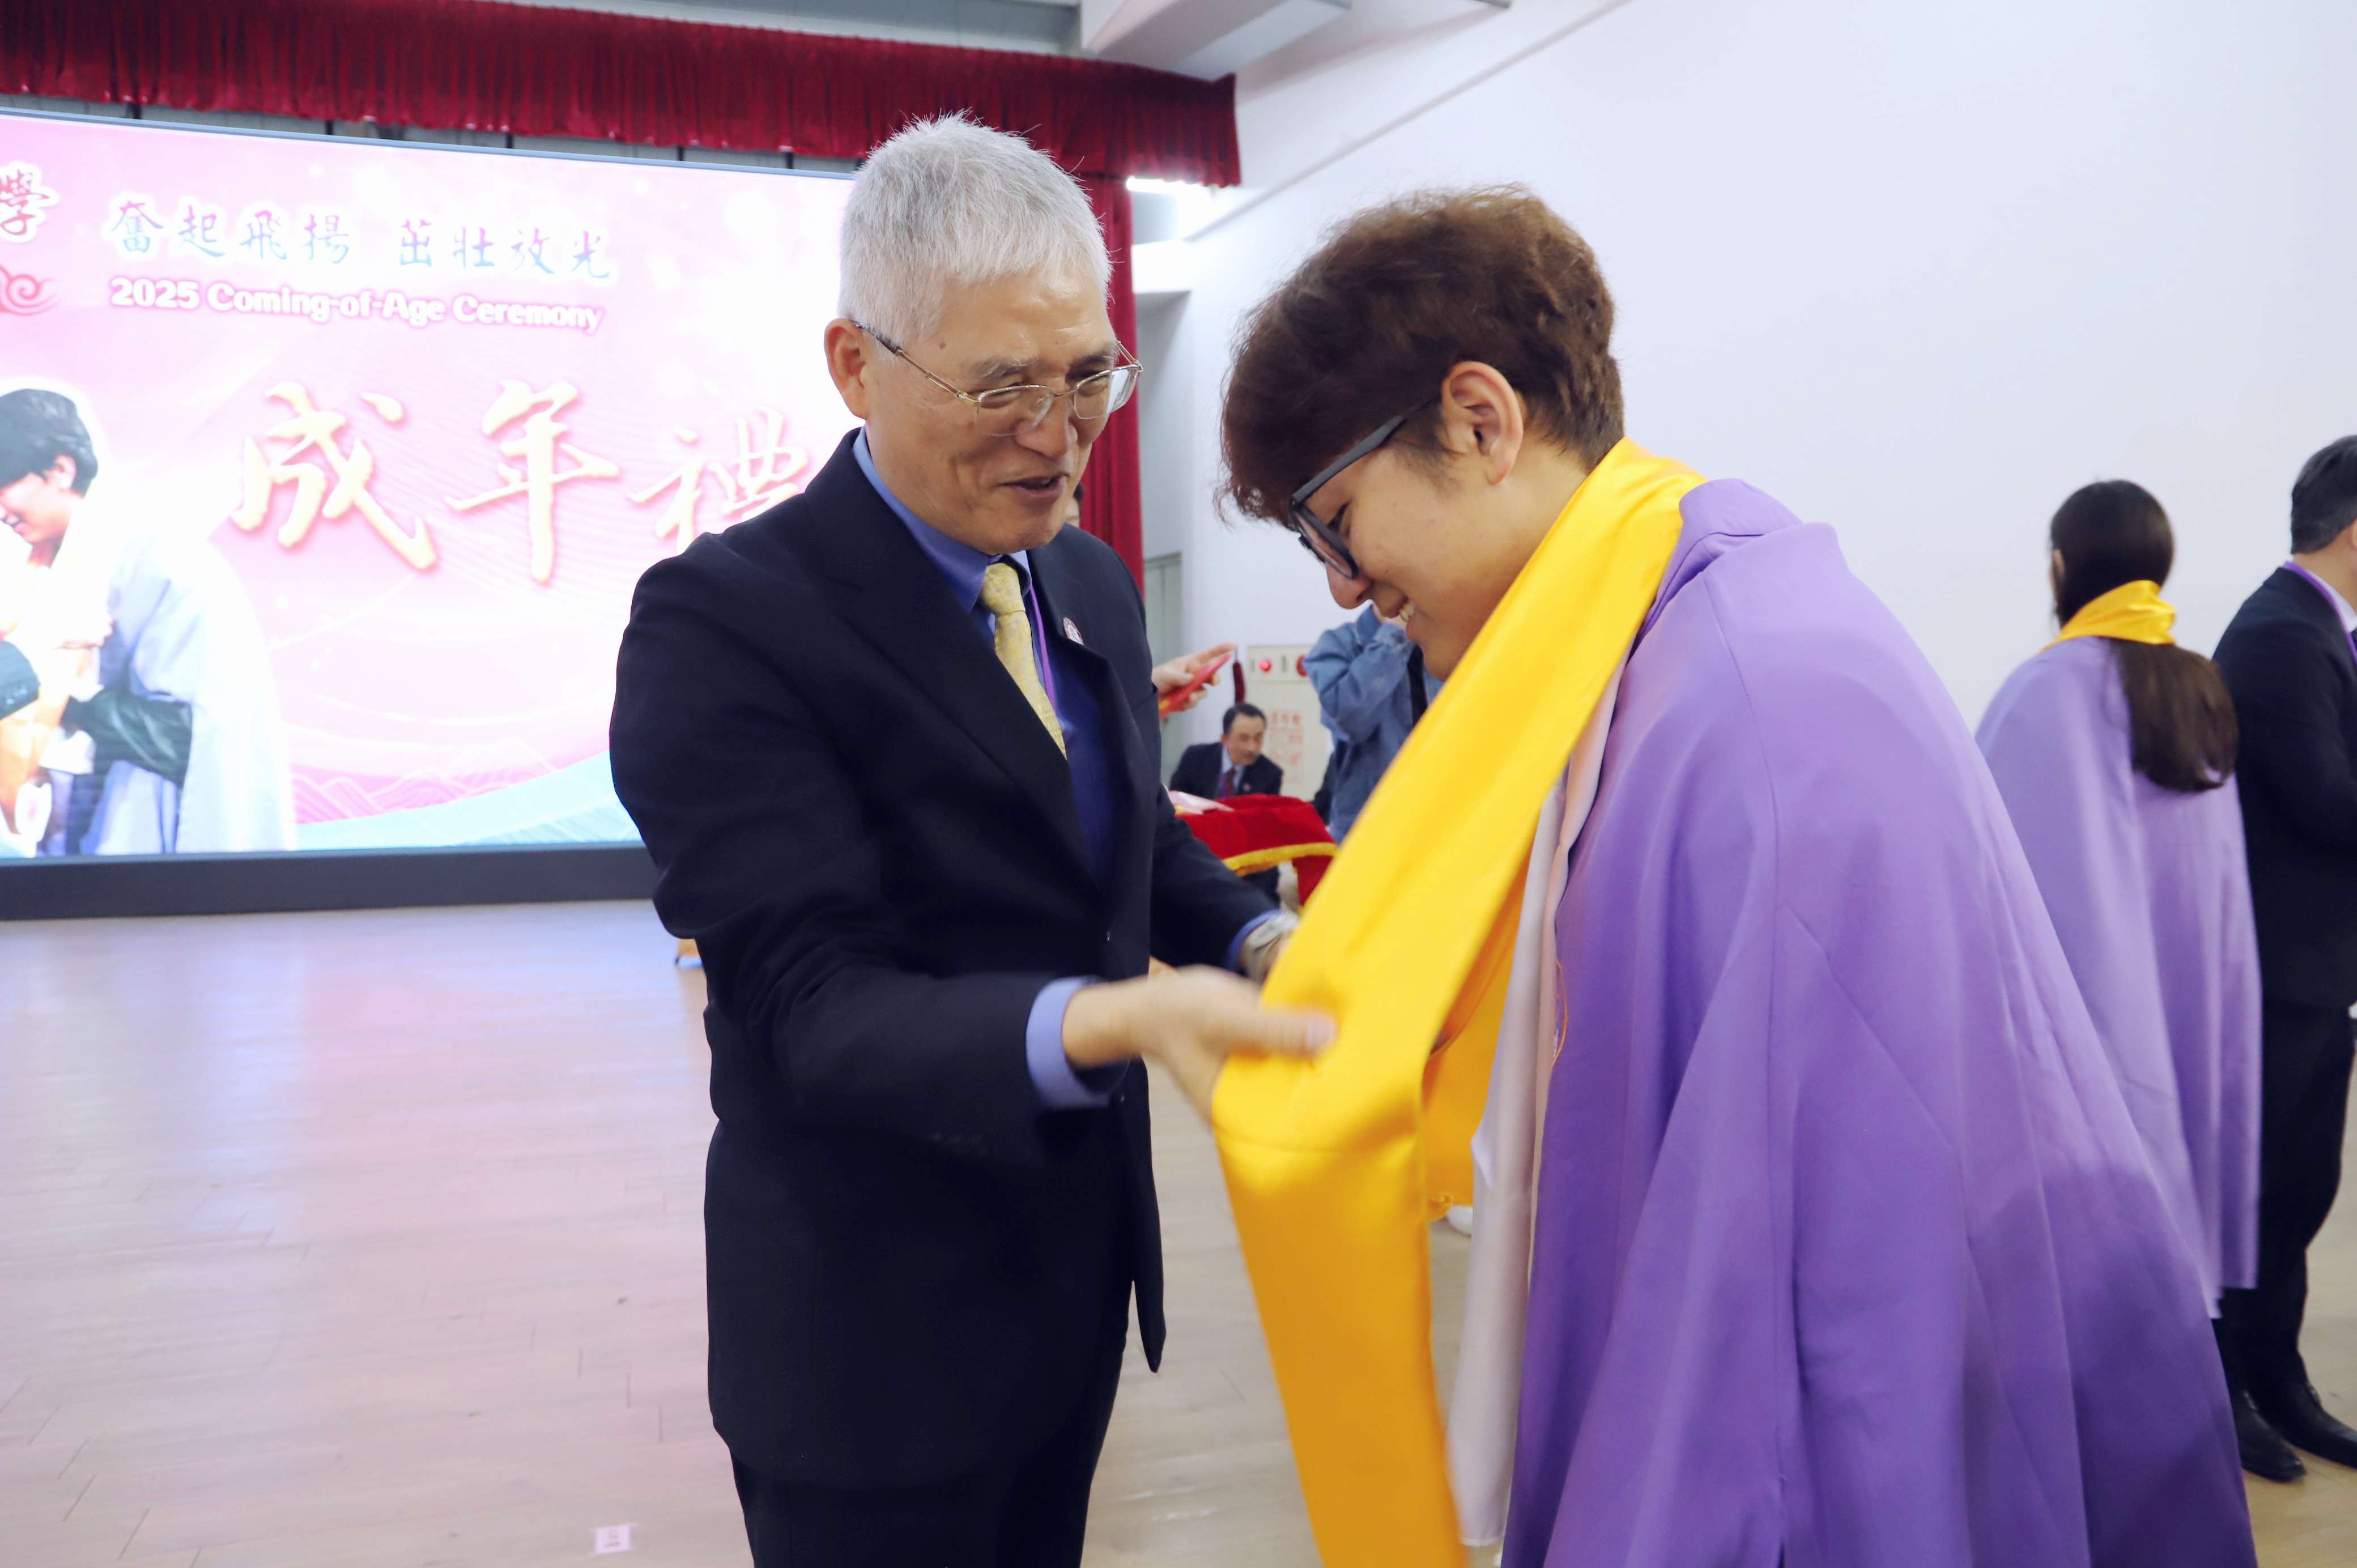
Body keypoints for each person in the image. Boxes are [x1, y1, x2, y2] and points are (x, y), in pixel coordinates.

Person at [1208, 188, 2252, 1566]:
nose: (1344, 588)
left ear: (1478, 420)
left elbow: (1805, 1320)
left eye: (1336, 521)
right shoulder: (1663, 641)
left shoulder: (1760, 702)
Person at [607, 116, 1329, 1568]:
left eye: (1088, 377)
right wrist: (1117, 1019)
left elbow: (1124, 841)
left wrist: (1264, 936)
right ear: (854, 364)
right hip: (870, 1340)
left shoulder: (1082, 579)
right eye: (1001, 386)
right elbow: (811, 1004)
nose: (1055, 435)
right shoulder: (725, 624)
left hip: (1071, 1289)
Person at [1974, 480, 2265, 1460]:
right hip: (2193, 1014)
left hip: (2096, 1027)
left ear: (2062, 569)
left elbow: (1993, 870)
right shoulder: (2195, 685)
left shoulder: (2046, 691)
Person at [2213, 434, 2357, 1478]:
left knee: (2300, 1189)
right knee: (2254, 1192)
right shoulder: (2279, 634)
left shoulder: (2319, 630)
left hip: (2316, 972)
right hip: (2272, 975)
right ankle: (2224, 1390)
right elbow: (2326, 803)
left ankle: (2279, 1378)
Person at [0, 387, 292, 854]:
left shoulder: (158, 559)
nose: (0, 509)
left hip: (152, 831)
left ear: (61, 471)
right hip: (85, 833)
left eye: (6, 482)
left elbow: (194, 740)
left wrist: (64, 694)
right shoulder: (42, 574)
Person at [1305, 606, 1433, 838]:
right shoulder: (1338, 644)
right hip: (1368, 829)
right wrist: (1394, 636)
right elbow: (1351, 720)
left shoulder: (1442, 643)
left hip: (1439, 818)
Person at [1169, 702, 1283, 799]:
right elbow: (1176, 801)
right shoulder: (1195, 758)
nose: (1252, 748)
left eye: (1258, 738)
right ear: (1224, 739)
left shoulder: (1271, 774)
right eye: (1244, 739)